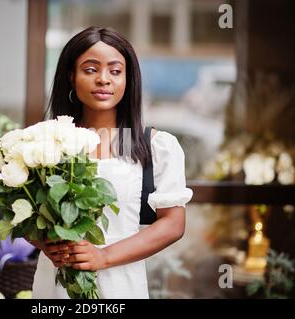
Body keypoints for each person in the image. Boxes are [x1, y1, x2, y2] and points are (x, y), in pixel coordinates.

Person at [30, 26, 193, 298]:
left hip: (120, 281)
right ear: (71, 77)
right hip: (55, 282)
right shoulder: (47, 141)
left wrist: (102, 256)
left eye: (115, 71)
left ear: (128, 79)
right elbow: (24, 214)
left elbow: (173, 224)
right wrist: (46, 243)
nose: (103, 80)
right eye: (91, 69)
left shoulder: (155, 145)